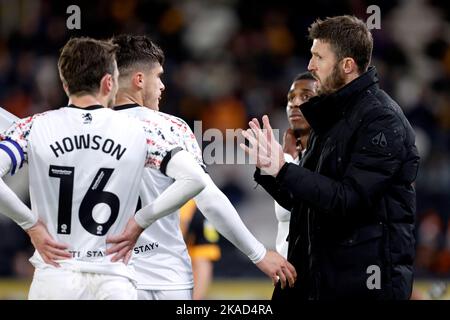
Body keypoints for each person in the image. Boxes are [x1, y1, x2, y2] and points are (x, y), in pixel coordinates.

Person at [0, 37, 208, 299]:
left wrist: (30, 225)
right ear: (109, 82)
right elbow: (194, 179)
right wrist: (140, 223)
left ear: (65, 84)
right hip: (114, 279)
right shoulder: (142, 131)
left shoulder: (33, 127)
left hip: (55, 276)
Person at [241, 15, 420, 300]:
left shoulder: (381, 119)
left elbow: (348, 200)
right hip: (325, 278)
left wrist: (284, 170)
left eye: (318, 57)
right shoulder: (333, 115)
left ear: (347, 65)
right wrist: (271, 171)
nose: (310, 66)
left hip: (363, 285)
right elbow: (309, 204)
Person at [109, 34, 296, 300]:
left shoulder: (82, 131)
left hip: (105, 277)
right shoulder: (170, 128)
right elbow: (209, 199)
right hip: (166, 279)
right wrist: (259, 253)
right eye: (158, 77)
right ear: (139, 80)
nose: (162, 86)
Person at [275, 72, 317, 258]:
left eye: (306, 96)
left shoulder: (331, 153)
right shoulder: (291, 153)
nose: (295, 103)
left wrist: (287, 162)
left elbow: (296, 207)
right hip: (291, 270)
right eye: (291, 98)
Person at [180, 199, 221, 300]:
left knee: (201, 262)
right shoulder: (205, 202)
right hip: (204, 241)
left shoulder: (191, 203)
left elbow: (183, 223)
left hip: (199, 245)